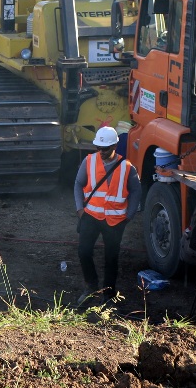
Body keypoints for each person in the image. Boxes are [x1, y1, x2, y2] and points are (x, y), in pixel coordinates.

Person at [73, 126, 141, 307]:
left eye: (105, 148)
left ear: (115, 146)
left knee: (111, 258)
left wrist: (129, 215)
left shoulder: (127, 167)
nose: (101, 152)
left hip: (115, 221)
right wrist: (80, 210)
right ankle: (91, 287)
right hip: (91, 216)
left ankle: (109, 295)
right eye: (98, 148)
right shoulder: (88, 162)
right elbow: (78, 184)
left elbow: (136, 191)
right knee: (84, 252)